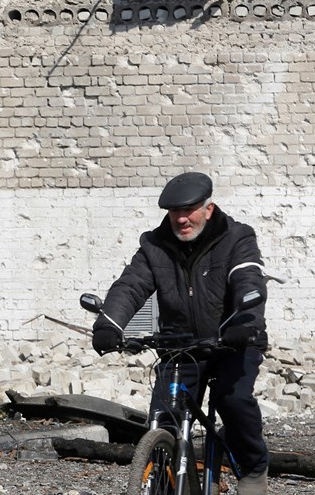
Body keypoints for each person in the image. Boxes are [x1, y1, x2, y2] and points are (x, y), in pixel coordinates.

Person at [92, 171, 270, 494]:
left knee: (234, 401)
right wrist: (109, 324)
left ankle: (254, 468)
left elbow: (248, 279)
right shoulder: (154, 246)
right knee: (164, 417)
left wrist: (244, 322)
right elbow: (130, 286)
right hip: (180, 345)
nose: (182, 218)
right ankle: (167, 482)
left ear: (208, 209)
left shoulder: (237, 238)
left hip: (233, 341)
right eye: (175, 211)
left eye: (190, 210)